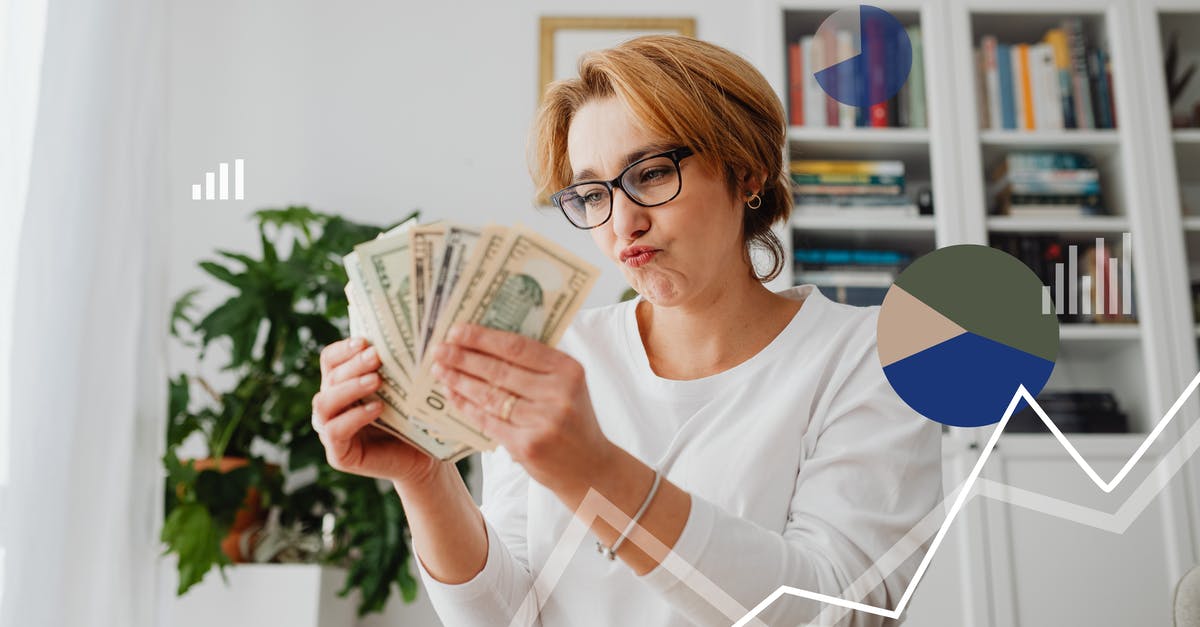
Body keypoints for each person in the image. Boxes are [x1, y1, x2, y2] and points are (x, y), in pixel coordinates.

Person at [310, 35, 943, 626]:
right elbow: (506, 615)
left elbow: (837, 610)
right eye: (591, 194)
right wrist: (424, 479)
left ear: (747, 171)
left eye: (650, 173)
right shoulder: (554, 353)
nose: (622, 223)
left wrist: (594, 471)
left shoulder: (872, 357)